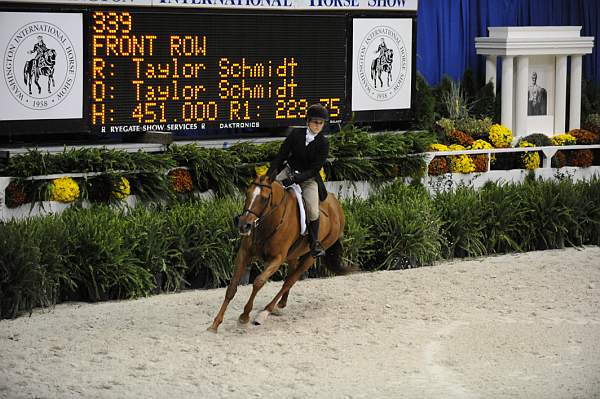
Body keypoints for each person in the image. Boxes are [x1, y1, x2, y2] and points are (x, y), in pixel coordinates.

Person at [267, 103, 330, 258]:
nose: (318, 125)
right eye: (315, 122)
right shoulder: (296, 135)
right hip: (289, 171)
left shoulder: (323, 143)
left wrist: (296, 179)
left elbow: (315, 169)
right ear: (308, 121)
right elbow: (281, 155)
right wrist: (269, 176)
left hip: (309, 179)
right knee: (264, 191)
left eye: (321, 123)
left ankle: (314, 243)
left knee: (313, 209)